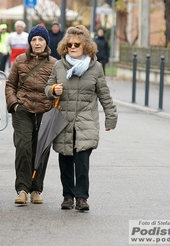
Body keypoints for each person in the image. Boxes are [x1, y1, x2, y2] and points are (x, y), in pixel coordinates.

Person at [44, 25, 118, 211]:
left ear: (86, 46)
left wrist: (111, 117)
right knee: (65, 162)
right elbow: (47, 88)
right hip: (64, 122)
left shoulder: (96, 67)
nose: (73, 47)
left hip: (86, 122)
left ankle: (81, 197)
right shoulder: (59, 66)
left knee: (82, 163)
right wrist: (53, 90)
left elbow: (104, 95)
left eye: (77, 44)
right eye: (70, 45)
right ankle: (68, 196)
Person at [5, 25, 57, 205]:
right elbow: (10, 85)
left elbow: (60, 89)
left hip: (45, 110)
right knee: (24, 148)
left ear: (46, 43)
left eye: (40, 39)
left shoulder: (55, 64)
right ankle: (22, 189)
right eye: (34, 40)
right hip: (23, 109)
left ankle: (36, 189)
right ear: (29, 42)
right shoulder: (20, 61)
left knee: (41, 150)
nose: (37, 43)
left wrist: (55, 98)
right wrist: (14, 104)